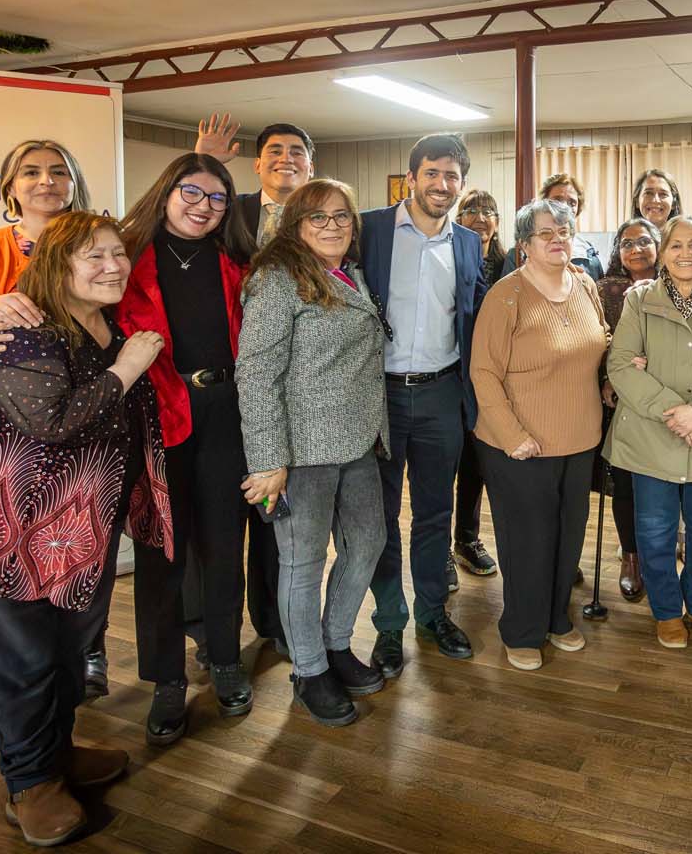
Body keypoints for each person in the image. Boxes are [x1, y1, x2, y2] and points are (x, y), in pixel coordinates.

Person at [0, 212, 169, 847]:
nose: (113, 267)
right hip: (3, 531)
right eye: (94, 257)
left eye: (117, 254)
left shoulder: (109, 326)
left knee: (69, 653)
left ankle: (56, 755)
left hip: (76, 531)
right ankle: (30, 783)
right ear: (56, 267)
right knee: (21, 662)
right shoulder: (24, 331)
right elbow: (53, 422)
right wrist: (128, 368)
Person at [0, 139, 120, 698]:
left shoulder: (98, 236)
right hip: (22, 423)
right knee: (23, 569)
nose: (46, 181)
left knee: (84, 555)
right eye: (31, 172)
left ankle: (86, 653)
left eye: (58, 171)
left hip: (90, 421)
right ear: (10, 187)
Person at [236, 178, 390, 726]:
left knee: (367, 543)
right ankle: (308, 670)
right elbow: (256, 375)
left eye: (342, 216)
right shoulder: (277, 280)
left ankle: (335, 643)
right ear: (295, 225)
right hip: (300, 452)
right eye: (317, 217)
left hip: (359, 441)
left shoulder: (351, 273)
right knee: (302, 564)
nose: (332, 226)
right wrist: (267, 461)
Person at [116, 153, 255, 745]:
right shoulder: (126, 258)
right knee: (161, 556)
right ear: (166, 192)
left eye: (217, 198)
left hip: (227, 414)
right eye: (191, 193)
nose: (204, 206)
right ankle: (166, 680)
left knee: (224, 548)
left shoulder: (238, 260)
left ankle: (224, 658)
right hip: (156, 415)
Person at [359, 133, 487, 674]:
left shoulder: (469, 243)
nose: (441, 184)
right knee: (381, 517)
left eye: (451, 175)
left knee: (435, 513)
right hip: (378, 394)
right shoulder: (369, 229)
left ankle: (433, 614)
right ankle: (389, 623)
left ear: (461, 183)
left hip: (441, 393)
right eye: (431, 173)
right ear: (410, 178)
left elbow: (473, 317)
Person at [471, 199, 607, 670]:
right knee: (529, 541)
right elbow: (483, 372)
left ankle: (555, 619)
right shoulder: (505, 296)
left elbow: (599, 338)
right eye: (545, 233)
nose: (557, 239)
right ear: (524, 244)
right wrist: (512, 435)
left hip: (580, 438)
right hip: (520, 444)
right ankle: (522, 630)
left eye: (564, 231)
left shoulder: (584, 284)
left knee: (567, 538)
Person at [606, 216, 692, 647]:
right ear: (663, 253)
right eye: (676, 245)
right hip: (651, 436)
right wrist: (678, 414)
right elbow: (620, 365)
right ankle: (667, 610)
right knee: (655, 531)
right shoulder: (639, 301)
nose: (685, 253)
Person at [193, 113, 299, 662]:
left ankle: (276, 620)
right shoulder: (227, 212)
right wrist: (203, 162)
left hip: (298, 389)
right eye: (275, 151)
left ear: (311, 166)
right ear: (257, 164)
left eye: (297, 152)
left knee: (279, 517)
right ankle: (215, 637)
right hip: (227, 381)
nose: (286, 159)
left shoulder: (327, 218)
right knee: (221, 518)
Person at [594, 217, 662, 601]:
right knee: (625, 482)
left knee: (660, 483)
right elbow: (600, 342)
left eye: (643, 241)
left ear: (658, 245)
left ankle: (658, 557)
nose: (635, 249)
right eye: (626, 243)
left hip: (666, 397)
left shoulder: (676, 283)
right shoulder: (606, 290)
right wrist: (609, 379)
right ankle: (631, 559)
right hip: (620, 398)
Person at [448, 189, 506, 589]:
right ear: (458, 219)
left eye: (488, 210)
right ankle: (440, 550)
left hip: (495, 379)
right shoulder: (448, 256)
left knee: (476, 464)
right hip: (452, 375)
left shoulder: (510, 262)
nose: (480, 216)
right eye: (470, 210)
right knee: (442, 466)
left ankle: (466, 539)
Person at [501, 173, 603, 280]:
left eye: (572, 203)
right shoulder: (518, 255)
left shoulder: (588, 255)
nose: (565, 207)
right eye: (557, 200)